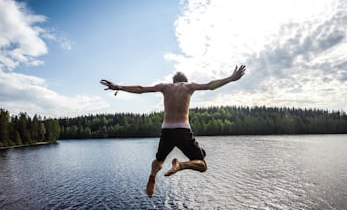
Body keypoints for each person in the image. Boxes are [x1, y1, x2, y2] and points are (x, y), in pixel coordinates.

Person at [100, 64, 246, 198]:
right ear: (184, 80)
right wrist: (231, 78)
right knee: (202, 165)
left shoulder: (165, 87)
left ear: (173, 80)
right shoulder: (189, 87)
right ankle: (181, 165)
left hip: (167, 130)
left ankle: (152, 176)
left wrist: (118, 87)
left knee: (159, 160)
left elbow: (140, 89)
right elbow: (210, 86)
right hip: (183, 129)